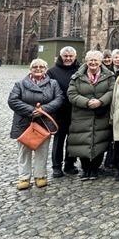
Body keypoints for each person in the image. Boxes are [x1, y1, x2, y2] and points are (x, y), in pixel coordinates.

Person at [8, 58, 64, 190]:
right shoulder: (20, 84)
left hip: (44, 122)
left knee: (42, 150)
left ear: (46, 69)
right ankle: (24, 178)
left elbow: (59, 98)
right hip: (24, 122)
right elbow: (12, 100)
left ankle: (40, 176)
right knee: (24, 151)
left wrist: (43, 110)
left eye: (41, 67)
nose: (38, 69)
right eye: (35, 67)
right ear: (30, 69)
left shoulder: (53, 83)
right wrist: (31, 111)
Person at [67, 50, 116, 180]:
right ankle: (85, 169)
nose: (93, 63)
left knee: (99, 142)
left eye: (96, 60)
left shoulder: (109, 76)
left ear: (100, 62)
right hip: (82, 114)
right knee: (82, 141)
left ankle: (94, 169)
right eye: (91, 60)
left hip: (101, 114)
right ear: (86, 61)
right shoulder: (77, 77)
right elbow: (71, 94)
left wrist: (101, 101)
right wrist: (87, 102)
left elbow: (112, 91)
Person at [47, 46, 80, 178]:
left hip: (76, 111)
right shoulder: (52, 72)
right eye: (65, 56)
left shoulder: (80, 70)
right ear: (61, 57)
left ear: (75, 57)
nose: (68, 58)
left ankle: (70, 164)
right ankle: (56, 167)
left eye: (70, 56)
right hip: (59, 112)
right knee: (59, 140)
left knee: (73, 140)